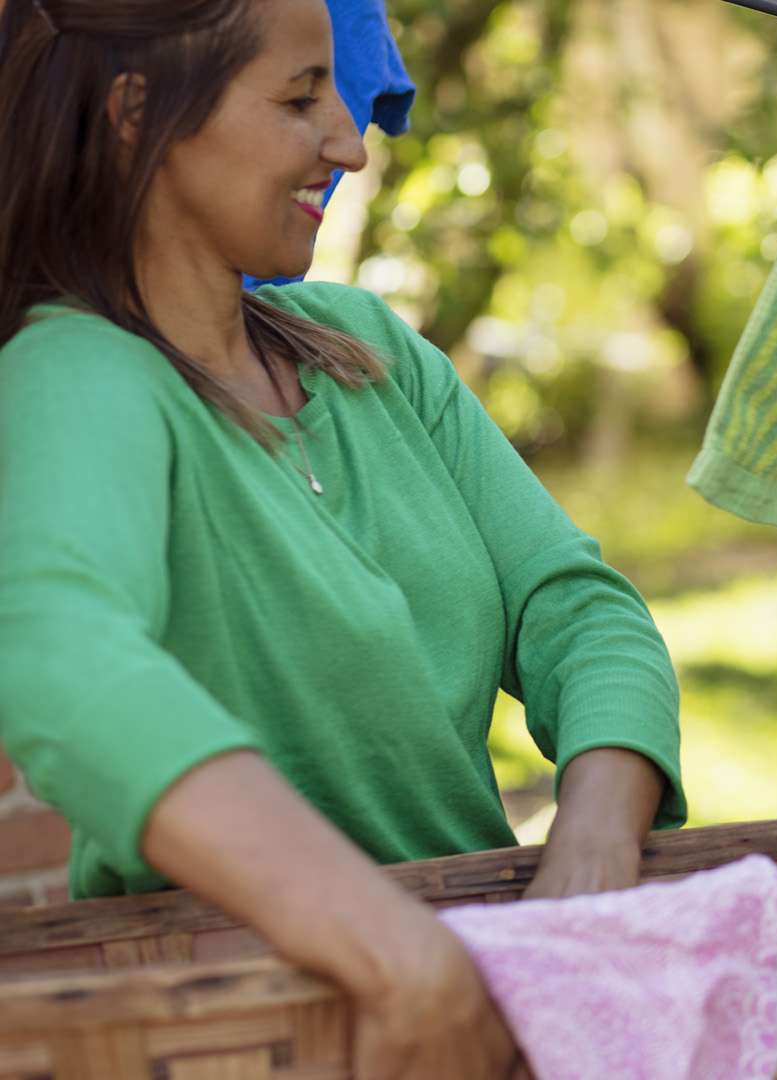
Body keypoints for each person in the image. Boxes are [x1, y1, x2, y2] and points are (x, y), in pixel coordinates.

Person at [0, 2, 680, 1077]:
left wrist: (593, 842)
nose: (348, 143)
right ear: (137, 116)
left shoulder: (369, 354)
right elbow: (58, 656)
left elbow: (574, 607)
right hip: (258, 1032)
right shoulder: (77, 377)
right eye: (297, 97)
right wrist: (394, 955)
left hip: (491, 999)